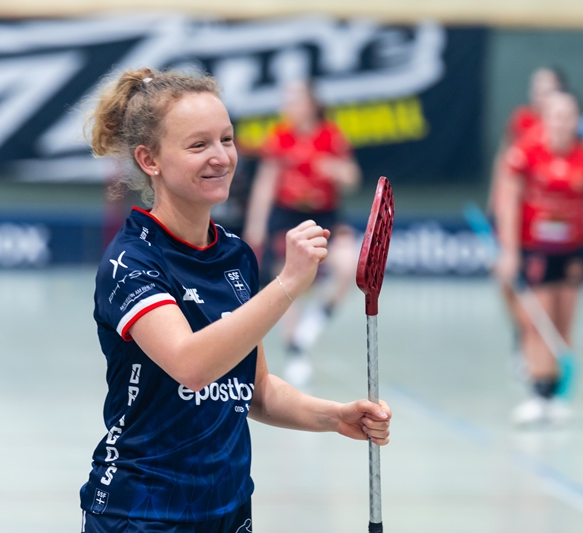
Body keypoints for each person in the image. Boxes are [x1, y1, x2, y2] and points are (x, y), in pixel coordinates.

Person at [79, 67, 391, 532]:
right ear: (150, 159)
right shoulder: (131, 261)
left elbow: (255, 389)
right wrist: (286, 284)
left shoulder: (235, 256)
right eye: (198, 145)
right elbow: (191, 366)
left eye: (226, 139)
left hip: (228, 510)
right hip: (141, 513)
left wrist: (335, 416)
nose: (221, 157)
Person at [496, 90, 583, 425]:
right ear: (545, 118)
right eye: (555, 115)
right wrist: (510, 251)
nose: (561, 122)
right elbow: (509, 203)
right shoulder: (526, 152)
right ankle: (538, 392)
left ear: (577, 120)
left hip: (572, 251)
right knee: (537, 322)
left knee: (562, 324)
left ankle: (555, 394)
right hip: (535, 249)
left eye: (568, 116)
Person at [242, 80, 361, 387]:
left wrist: (335, 169)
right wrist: (256, 226)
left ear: (311, 103)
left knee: (348, 267)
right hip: (289, 215)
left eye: (295, 99)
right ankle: (295, 351)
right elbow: (265, 184)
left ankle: (318, 318)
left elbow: (352, 176)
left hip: (326, 215)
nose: (289, 105)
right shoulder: (280, 136)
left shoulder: (330, 135)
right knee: (290, 280)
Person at [487, 67, 566, 376]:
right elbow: (504, 160)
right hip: (515, 217)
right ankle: (523, 335)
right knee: (506, 282)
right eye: (536, 88)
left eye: (547, 89)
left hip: (548, 226)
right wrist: (496, 200)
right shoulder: (521, 120)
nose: (540, 95)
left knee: (545, 289)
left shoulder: (565, 127)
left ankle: (545, 359)